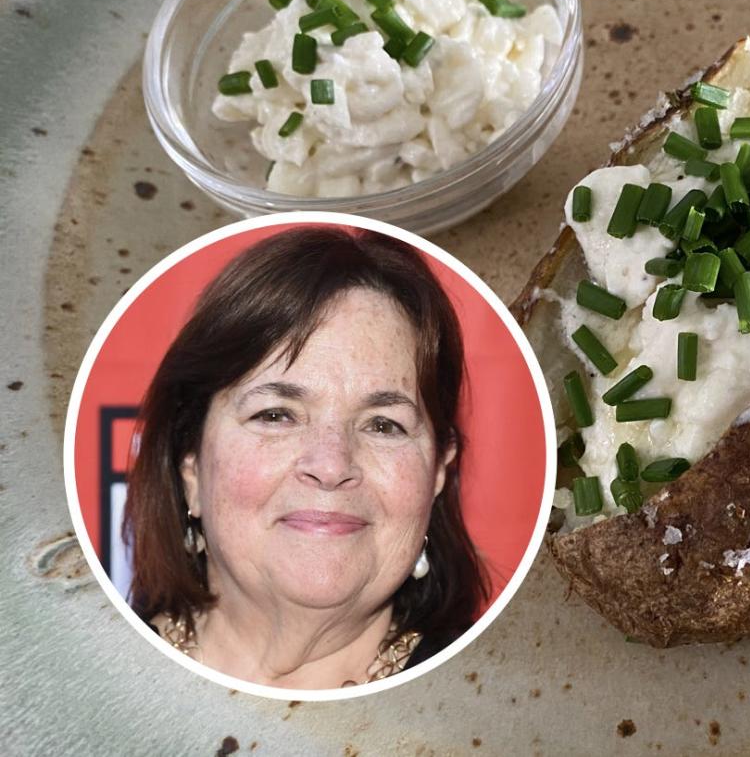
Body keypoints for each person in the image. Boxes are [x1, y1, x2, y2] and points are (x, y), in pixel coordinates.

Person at [123, 225, 488, 689]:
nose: (331, 466)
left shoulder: (503, 708)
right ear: (190, 464)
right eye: (276, 415)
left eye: (382, 424)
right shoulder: (60, 680)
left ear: (437, 472)